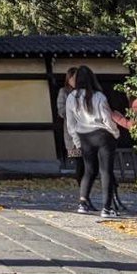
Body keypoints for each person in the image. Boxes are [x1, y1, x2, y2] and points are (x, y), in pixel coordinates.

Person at [66, 65, 120, 218]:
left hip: (84, 136)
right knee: (106, 171)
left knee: (89, 170)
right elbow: (107, 118)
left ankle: (82, 203)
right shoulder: (99, 96)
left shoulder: (72, 97)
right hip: (102, 135)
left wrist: (77, 140)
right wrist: (115, 132)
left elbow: (70, 123)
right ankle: (107, 208)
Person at [57, 67, 85, 193]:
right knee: (79, 161)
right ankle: (82, 186)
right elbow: (61, 111)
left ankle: (86, 185)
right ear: (68, 79)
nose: (75, 80)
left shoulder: (85, 91)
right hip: (72, 132)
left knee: (88, 160)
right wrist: (74, 109)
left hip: (87, 130)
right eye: (73, 78)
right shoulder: (64, 92)